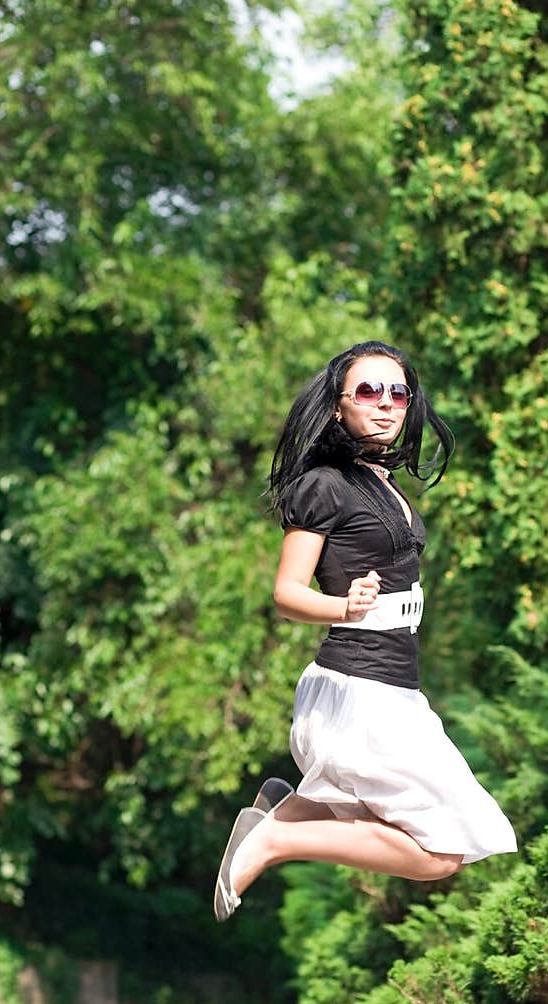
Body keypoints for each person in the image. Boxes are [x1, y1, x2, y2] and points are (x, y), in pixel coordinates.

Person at [212, 339, 517, 921]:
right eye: (368, 391)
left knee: (429, 839)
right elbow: (286, 593)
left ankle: (291, 813)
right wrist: (341, 606)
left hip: (394, 690)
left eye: (397, 392)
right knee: (440, 850)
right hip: (359, 693)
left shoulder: (378, 479)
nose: (386, 404)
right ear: (338, 406)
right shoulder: (325, 485)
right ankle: (277, 836)